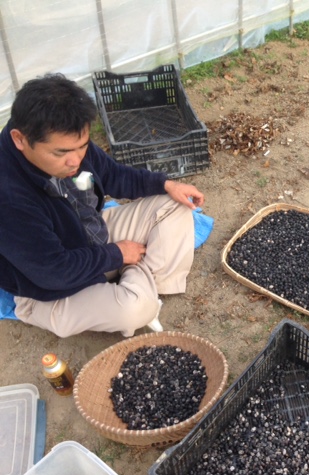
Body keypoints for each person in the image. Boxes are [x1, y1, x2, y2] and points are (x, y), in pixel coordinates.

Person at [0, 73, 205, 338]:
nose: (75, 161)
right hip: (49, 287)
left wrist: (166, 184)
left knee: (175, 205)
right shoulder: (9, 196)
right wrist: (116, 254)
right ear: (20, 139)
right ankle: (138, 285)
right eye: (61, 153)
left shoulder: (68, 140)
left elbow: (112, 175)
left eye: (82, 147)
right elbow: (53, 272)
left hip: (88, 234)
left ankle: (137, 283)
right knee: (133, 310)